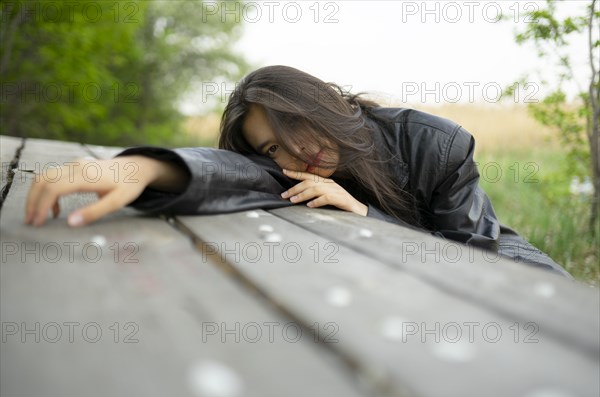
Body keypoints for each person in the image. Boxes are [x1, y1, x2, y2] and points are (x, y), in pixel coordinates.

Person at [24, 65, 571, 278]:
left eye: (295, 128)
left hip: (529, 279)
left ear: (323, 102)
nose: (292, 155)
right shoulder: (286, 169)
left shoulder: (435, 142)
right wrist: (145, 167)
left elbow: (476, 258)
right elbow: (232, 171)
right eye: (271, 148)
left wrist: (365, 213)